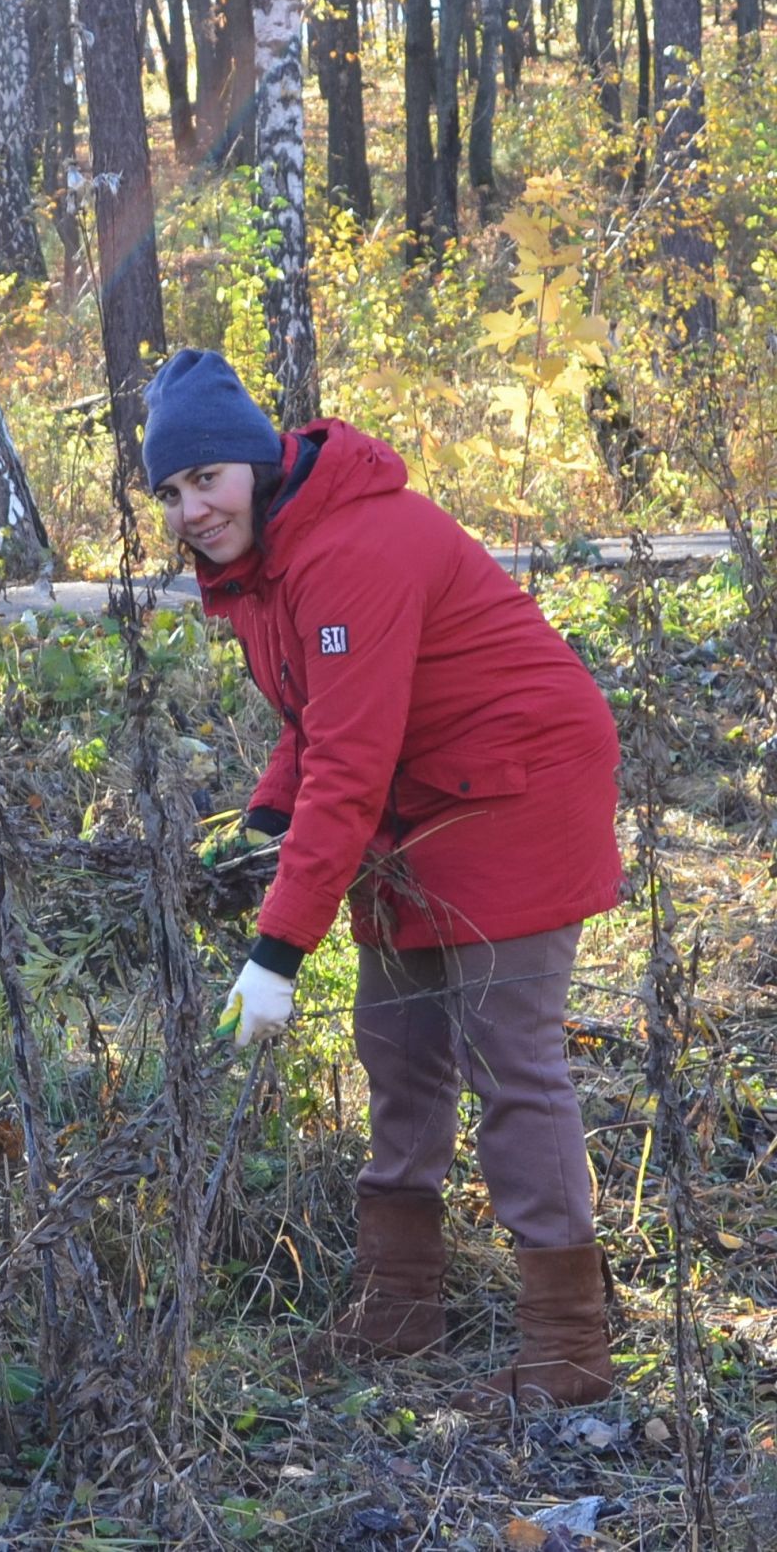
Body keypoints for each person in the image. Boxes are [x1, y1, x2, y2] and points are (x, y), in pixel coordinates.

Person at [144, 350, 625, 1408]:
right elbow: (313, 724)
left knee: (509, 1058)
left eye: (205, 479)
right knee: (397, 1044)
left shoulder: (353, 546)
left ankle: (568, 1351)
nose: (190, 509)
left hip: (517, 786)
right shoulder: (268, 559)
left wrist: (278, 954)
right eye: (169, 493)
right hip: (422, 796)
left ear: (258, 460)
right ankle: (402, 1304)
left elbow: (350, 765)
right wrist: (260, 832)